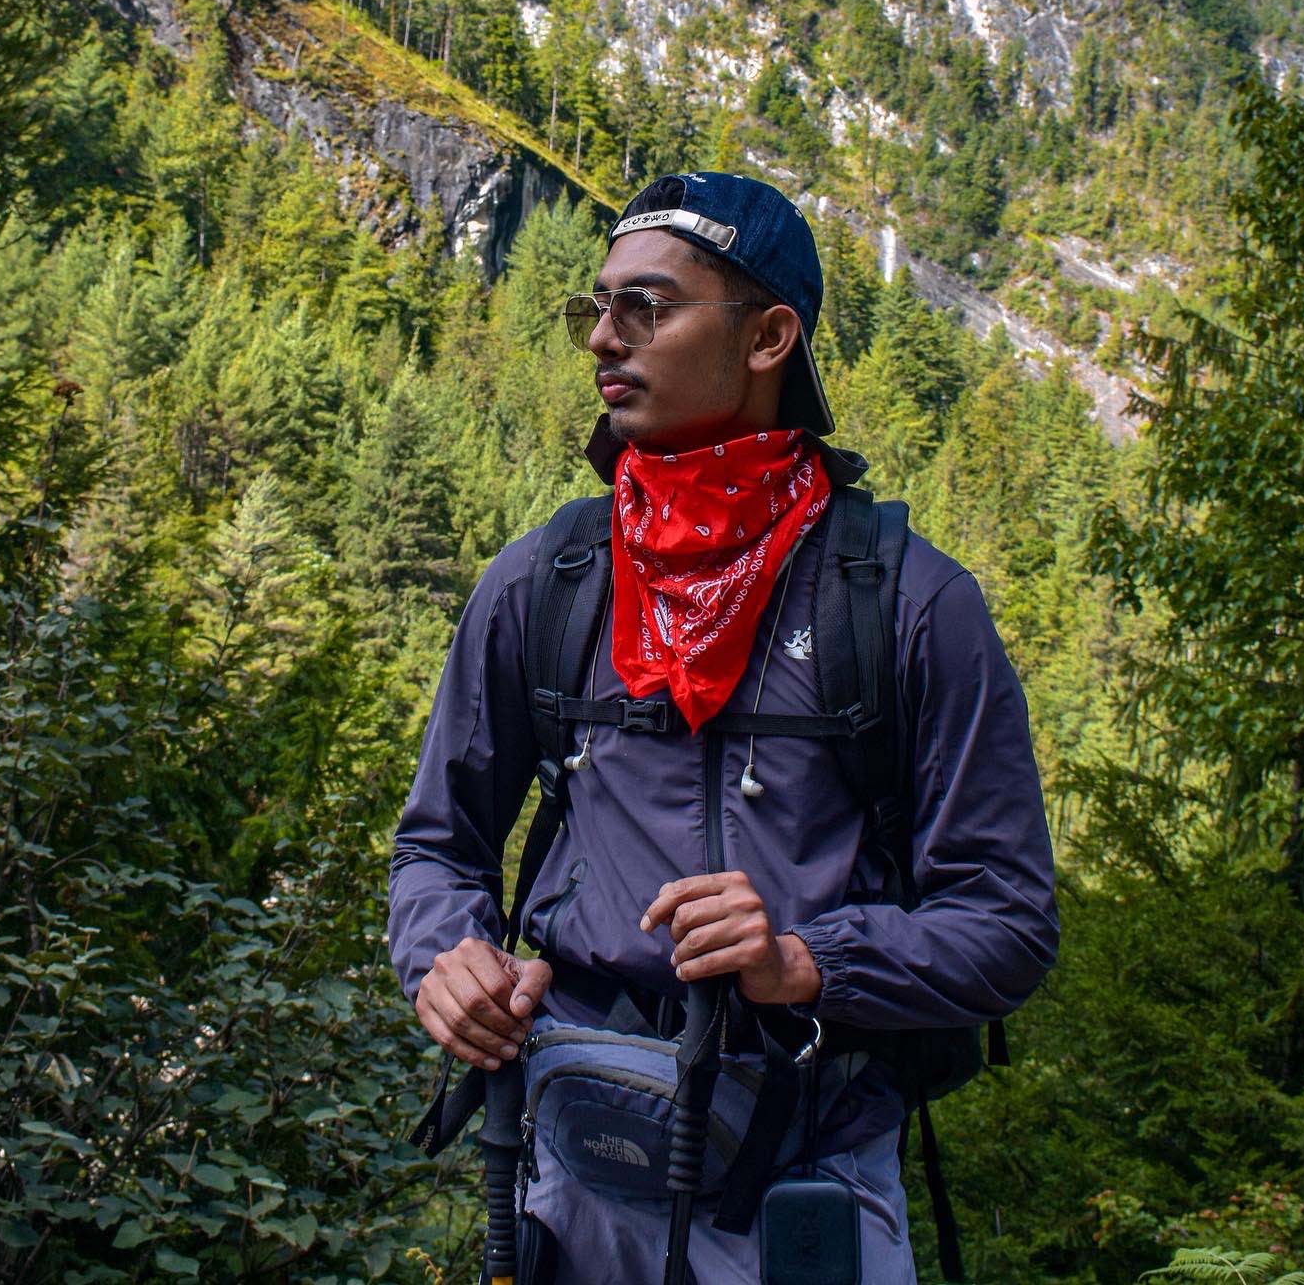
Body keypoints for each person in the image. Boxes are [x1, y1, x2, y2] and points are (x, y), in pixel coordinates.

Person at [389, 171, 1058, 1282]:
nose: (602, 337)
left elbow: (1008, 922)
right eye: (596, 306)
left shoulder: (906, 604)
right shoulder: (548, 582)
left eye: (645, 307)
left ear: (768, 337)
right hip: (575, 1174)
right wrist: (444, 959)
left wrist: (805, 961)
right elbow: (435, 846)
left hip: (809, 1178)